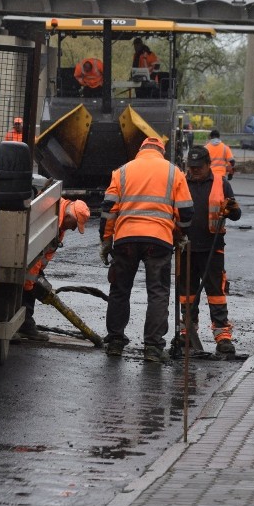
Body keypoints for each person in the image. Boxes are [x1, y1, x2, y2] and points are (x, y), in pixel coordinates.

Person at [99, 136, 193, 363]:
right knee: (158, 292)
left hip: (126, 239)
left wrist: (106, 240)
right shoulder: (174, 173)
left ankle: (114, 342)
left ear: (141, 150)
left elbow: (109, 209)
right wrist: (179, 234)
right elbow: (186, 212)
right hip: (158, 240)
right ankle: (152, 347)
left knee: (120, 289)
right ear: (161, 151)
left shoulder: (121, 172)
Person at [176, 145, 241, 357]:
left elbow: (236, 213)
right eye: (191, 166)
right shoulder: (181, 183)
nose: (194, 170)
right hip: (186, 247)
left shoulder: (221, 184)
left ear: (208, 165)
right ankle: (187, 330)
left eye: (198, 167)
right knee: (187, 292)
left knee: (216, 293)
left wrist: (230, 210)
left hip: (212, 247)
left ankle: (222, 336)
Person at [15, 198, 91, 341]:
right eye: (75, 224)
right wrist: (31, 282)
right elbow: (37, 254)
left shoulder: (58, 222)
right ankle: (25, 326)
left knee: (32, 287)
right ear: (69, 217)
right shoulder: (50, 221)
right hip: (25, 261)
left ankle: (24, 324)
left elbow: (43, 256)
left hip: (31, 264)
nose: (74, 228)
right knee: (28, 290)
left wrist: (38, 275)